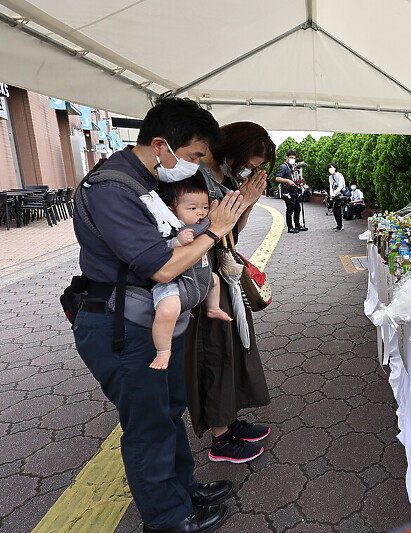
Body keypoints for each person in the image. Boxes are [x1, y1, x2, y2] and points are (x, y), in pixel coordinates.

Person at [72, 97, 245, 533]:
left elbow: (180, 239)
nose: (196, 166)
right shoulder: (111, 187)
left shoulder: (145, 180)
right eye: (193, 156)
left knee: (169, 410)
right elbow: (163, 266)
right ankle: (167, 519)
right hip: (122, 327)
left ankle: (183, 491)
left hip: (148, 320)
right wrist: (216, 231)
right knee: (148, 424)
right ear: (161, 144)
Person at [187, 121, 276, 464]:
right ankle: (220, 440)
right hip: (204, 274)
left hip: (224, 271)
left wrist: (249, 200)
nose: (249, 170)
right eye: (250, 162)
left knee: (236, 346)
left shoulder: (223, 172)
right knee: (216, 351)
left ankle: (229, 421)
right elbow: (197, 229)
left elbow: (234, 230)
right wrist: (242, 199)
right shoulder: (192, 176)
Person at [150, 177, 232, 371]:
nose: (200, 213)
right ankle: (163, 350)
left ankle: (212, 308)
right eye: (192, 208)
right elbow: (160, 248)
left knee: (215, 280)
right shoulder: (171, 227)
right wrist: (177, 242)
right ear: (172, 211)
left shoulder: (203, 225)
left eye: (204, 207)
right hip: (174, 284)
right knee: (167, 310)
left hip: (199, 278)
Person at [275, 150, 306, 233]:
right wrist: (288, 181)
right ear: (287, 158)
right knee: (290, 209)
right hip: (287, 192)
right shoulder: (284, 167)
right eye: (291, 158)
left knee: (297, 209)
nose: (293, 159)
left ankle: (297, 225)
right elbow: (278, 178)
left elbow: (292, 178)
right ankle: (290, 227)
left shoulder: (291, 167)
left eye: (294, 158)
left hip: (294, 191)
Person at [328, 163, 347, 231]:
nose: (330, 169)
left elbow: (341, 185)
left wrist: (335, 193)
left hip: (339, 195)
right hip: (334, 196)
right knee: (335, 211)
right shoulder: (330, 177)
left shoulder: (339, 175)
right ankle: (338, 224)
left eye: (332, 167)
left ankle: (341, 225)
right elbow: (331, 187)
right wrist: (331, 195)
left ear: (335, 168)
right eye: (329, 168)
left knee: (338, 210)